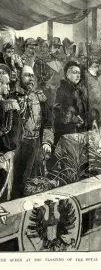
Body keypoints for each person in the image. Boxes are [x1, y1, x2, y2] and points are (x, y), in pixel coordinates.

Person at [11, 65, 54, 199]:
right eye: (27, 75)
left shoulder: (39, 97)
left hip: (35, 145)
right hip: (17, 147)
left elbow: (49, 121)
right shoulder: (11, 98)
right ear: (19, 77)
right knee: (16, 184)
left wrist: (47, 142)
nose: (31, 79)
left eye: (32, 75)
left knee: (34, 183)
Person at [53, 61, 88, 145]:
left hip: (78, 131)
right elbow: (56, 109)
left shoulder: (79, 91)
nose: (78, 75)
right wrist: (72, 118)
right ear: (67, 75)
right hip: (65, 133)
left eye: (79, 73)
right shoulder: (61, 90)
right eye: (75, 72)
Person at [0, 69, 22, 201]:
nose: (8, 87)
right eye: (6, 84)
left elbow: (15, 138)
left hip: (3, 158)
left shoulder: (10, 107)